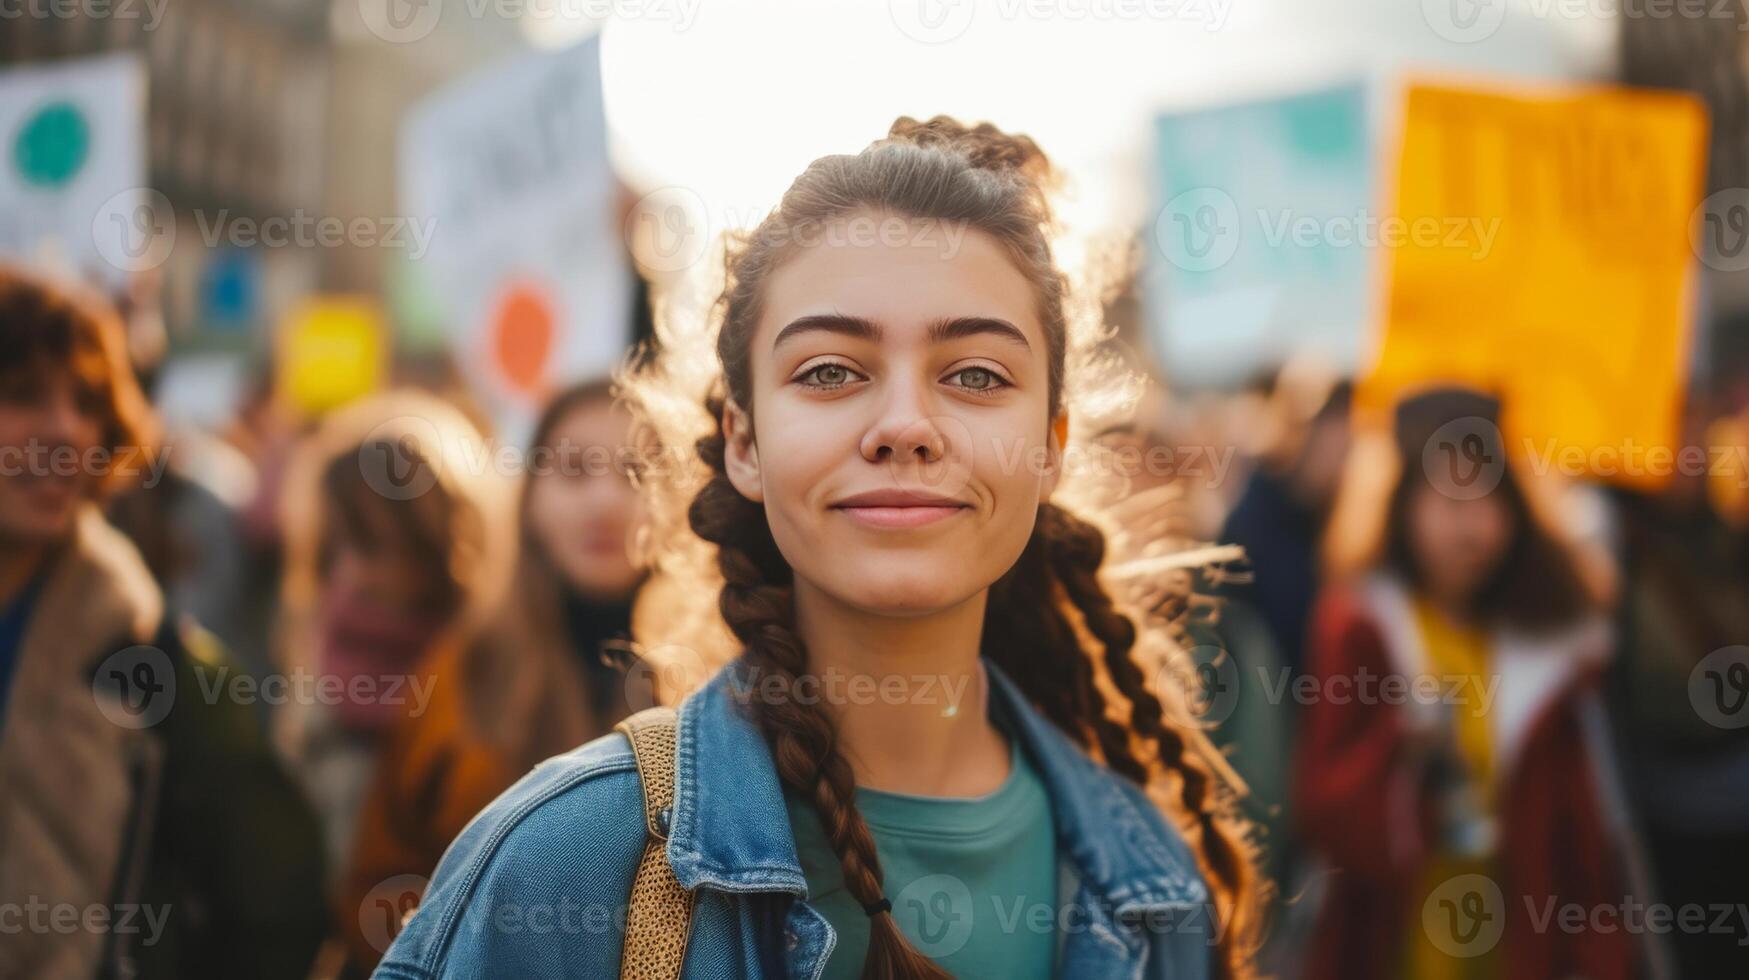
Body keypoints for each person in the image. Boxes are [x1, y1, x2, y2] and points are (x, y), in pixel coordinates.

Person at [376, 116, 1261, 979]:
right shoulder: (564, 864)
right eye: (830, 371)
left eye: (977, 375)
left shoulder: (1153, 893)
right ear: (745, 442)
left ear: (1052, 445)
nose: (906, 425)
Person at [0, 266, 326, 979]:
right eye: (23, 395)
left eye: (87, 400)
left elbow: (278, 912)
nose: (64, 429)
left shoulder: (162, 668)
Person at [1293, 386, 1641, 980]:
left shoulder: (1553, 646)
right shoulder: (1362, 630)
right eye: (1447, 500)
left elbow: (1583, 840)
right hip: (1394, 944)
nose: (1471, 527)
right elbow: (1327, 810)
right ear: (1402, 504)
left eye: (1487, 496)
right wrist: (1405, 753)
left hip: (1524, 947)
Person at [337, 378, 648, 975]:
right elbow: (381, 882)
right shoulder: (465, 669)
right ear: (530, 495)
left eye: (638, 472)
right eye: (576, 471)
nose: (607, 501)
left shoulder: (722, 675)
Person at [275, 390, 513, 874]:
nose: (351, 576)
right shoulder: (315, 662)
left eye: (372, 545)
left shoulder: (494, 683)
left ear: (438, 546)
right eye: (333, 549)